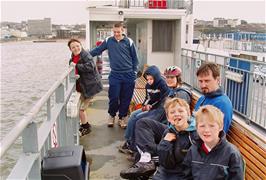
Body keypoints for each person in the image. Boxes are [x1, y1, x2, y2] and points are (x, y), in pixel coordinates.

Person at [120, 98, 198, 179]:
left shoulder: (194, 135)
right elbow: (166, 163)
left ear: (189, 114)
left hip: (182, 175)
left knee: (142, 156)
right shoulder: (168, 132)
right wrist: (165, 143)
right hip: (166, 171)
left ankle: (146, 165)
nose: (176, 114)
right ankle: (144, 166)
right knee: (141, 157)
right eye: (172, 112)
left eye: (181, 111)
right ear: (168, 118)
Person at [119, 66, 191, 154]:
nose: (169, 79)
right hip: (163, 117)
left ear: (178, 78)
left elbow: (179, 118)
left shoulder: (181, 94)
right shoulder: (173, 91)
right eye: (167, 77)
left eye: (172, 77)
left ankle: (138, 149)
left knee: (141, 122)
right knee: (137, 118)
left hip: (172, 128)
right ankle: (133, 145)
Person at [90, 22, 139, 128]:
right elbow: (97, 50)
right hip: (115, 75)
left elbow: (135, 58)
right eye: (114, 32)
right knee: (114, 97)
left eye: (118, 31)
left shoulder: (129, 42)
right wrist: (83, 55)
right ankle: (112, 115)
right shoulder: (108, 41)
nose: (116, 34)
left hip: (128, 75)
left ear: (122, 31)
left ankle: (122, 117)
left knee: (126, 98)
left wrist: (134, 72)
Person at [182, 105, 244, 180]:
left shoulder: (232, 153)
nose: (207, 130)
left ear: (220, 127)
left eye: (212, 126)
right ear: (196, 128)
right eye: (202, 126)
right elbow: (186, 176)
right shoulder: (193, 150)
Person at [119, 65, 169, 153]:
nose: (149, 81)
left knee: (138, 118)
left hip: (159, 110)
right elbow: (147, 98)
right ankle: (128, 141)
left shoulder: (162, 85)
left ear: (156, 77)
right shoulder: (148, 86)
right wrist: (144, 106)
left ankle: (133, 146)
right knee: (133, 115)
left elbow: (163, 101)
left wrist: (151, 106)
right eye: (148, 79)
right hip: (151, 107)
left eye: (151, 79)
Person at [68, 38, 103, 136]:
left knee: (81, 109)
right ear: (70, 49)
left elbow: (90, 66)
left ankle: (86, 128)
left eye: (77, 46)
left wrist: (76, 66)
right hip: (82, 87)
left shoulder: (86, 55)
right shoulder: (72, 57)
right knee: (79, 107)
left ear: (81, 45)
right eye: (73, 47)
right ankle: (84, 125)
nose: (76, 48)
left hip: (91, 87)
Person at [194, 62, 233, 133]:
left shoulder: (222, 103)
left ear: (217, 80)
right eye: (200, 81)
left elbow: (219, 134)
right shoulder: (203, 98)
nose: (203, 85)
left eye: (207, 81)